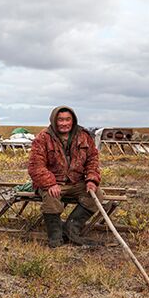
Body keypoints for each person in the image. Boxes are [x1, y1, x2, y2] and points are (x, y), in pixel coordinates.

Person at [28, 106, 103, 248]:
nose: (64, 123)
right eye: (60, 120)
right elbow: (35, 166)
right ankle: (55, 237)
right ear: (54, 121)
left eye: (67, 119)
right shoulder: (43, 138)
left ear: (73, 120)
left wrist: (92, 179)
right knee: (51, 198)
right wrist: (50, 183)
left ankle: (71, 229)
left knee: (97, 195)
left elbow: (92, 159)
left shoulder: (83, 136)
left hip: (76, 182)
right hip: (53, 182)